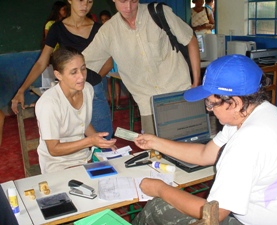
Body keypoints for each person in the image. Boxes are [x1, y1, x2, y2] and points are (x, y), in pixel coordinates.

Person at [131, 54, 277, 225]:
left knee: (156, 208)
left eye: (211, 104)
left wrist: (160, 189)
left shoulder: (246, 143)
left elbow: (214, 214)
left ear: (235, 103)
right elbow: (205, 154)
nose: (209, 110)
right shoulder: (261, 113)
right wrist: (155, 142)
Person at [83, 1, 201, 135]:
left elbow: (190, 39)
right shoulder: (108, 31)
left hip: (180, 93)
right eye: (122, 1)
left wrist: (196, 82)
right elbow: (84, 62)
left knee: (190, 145)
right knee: (156, 152)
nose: (128, 7)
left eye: (133, 0)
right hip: (147, 104)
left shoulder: (158, 12)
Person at [11, 0, 114, 139]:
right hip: (67, 95)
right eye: (81, 0)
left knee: (104, 138)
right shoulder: (57, 28)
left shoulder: (99, 29)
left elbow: (108, 62)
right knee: (71, 142)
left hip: (94, 92)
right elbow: (42, 62)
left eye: (89, 1)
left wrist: (89, 82)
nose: (85, 6)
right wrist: (21, 90)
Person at [35, 47, 116, 174]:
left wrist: (101, 142)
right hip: (58, 164)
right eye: (74, 72)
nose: (81, 77)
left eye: (83, 69)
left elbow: (83, 122)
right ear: (58, 75)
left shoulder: (87, 89)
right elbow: (54, 149)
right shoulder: (49, 103)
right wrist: (90, 141)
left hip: (84, 158)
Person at [99, 10, 121, 108]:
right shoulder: (101, 31)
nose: (104, 22)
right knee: (108, 81)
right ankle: (111, 101)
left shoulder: (114, 29)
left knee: (117, 80)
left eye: (106, 19)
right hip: (107, 58)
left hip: (116, 58)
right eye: (102, 20)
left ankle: (117, 102)